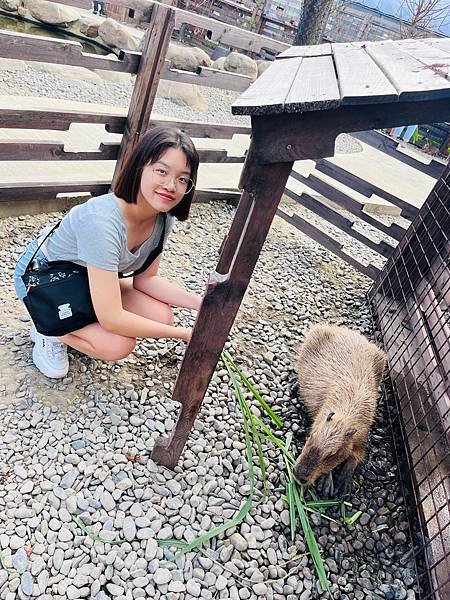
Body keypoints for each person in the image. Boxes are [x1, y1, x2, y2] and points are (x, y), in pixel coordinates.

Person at [14, 126, 202, 379]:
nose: (171, 185)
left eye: (182, 179)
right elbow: (112, 318)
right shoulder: (102, 221)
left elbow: (147, 279)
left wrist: (204, 305)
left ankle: (78, 324)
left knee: (161, 316)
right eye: (161, 171)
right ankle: (49, 330)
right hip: (45, 280)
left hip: (88, 277)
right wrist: (183, 334)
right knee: (117, 345)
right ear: (139, 167)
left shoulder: (162, 218)